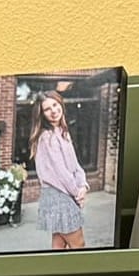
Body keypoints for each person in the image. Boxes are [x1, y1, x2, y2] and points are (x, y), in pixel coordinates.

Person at [29, 90, 89, 250]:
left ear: (60, 104)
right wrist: (78, 195)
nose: (53, 111)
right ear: (42, 114)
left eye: (55, 105)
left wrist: (83, 185)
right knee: (79, 245)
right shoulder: (47, 137)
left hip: (63, 195)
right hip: (58, 196)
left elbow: (75, 166)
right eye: (47, 109)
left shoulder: (63, 132)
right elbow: (62, 173)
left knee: (59, 245)